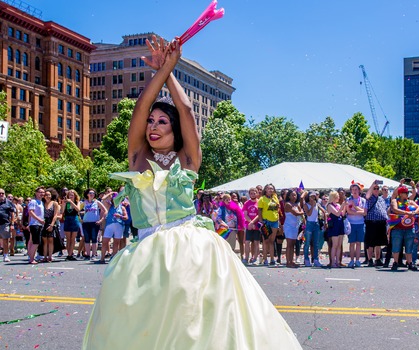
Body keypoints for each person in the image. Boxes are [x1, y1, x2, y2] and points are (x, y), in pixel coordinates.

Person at [83, 36, 301, 349]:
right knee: (139, 325)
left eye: (162, 122)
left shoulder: (188, 160)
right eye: (150, 122)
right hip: (144, 251)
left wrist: (169, 69)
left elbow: (185, 108)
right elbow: (139, 109)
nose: (153, 126)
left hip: (190, 249)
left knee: (191, 324)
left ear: (176, 130)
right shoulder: (137, 157)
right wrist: (159, 72)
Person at [388, 185, 419, 271]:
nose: (407, 194)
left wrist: (414, 212)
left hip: (409, 227)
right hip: (397, 227)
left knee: (409, 246)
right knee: (396, 246)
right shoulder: (395, 201)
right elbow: (395, 209)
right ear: (400, 193)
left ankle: (409, 262)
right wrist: (407, 213)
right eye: (405, 193)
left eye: (407, 193)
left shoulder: (410, 202)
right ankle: (395, 262)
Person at [98, 192, 128, 264]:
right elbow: (103, 199)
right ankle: (102, 258)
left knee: (116, 243)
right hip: (109, 225)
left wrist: (120, 216)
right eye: (114, 199)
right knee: (105, 242)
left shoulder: (122, 207)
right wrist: (111, 193)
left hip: (119, 225)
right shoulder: (109, 206)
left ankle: (114, 259)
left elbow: (126, 217)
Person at [364, 181, 389, 267]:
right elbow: (367, 194)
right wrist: (373, 184)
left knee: (378, 243)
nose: (376, 190)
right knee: (370, 243)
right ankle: (370, 259)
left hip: (381, 223)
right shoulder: (369, 198)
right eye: (375, 188)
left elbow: (384, 210)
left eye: (377, 188)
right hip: (371, 222)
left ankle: (378, 259)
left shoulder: (381, 199)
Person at [80, 189, 107, 260]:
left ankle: (94, 254)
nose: (92, 194)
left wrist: (101, 220)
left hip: (95, 222)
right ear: (87, 194)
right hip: (86, 222)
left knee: (94, 239)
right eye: (90, 193)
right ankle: (88, 255)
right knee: (87, 239)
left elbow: (105, 211)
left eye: (93, 193)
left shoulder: (97, 202)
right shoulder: (84, 202)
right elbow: (77, 210)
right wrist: (80, 219)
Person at [258, 183, 281, 266]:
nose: (270, 190)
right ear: (265, 190)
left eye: (272, 188)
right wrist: (261, 221)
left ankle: (272, 259)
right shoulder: (262, 199)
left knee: (272, 240)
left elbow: (277, 209)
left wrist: (279, 220)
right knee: (265, 240)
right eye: (269, 188)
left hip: (274, 221)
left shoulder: (275, 198)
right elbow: (259, 211)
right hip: (266, 221)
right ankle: (265, 259)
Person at [347, 183, 366, 268]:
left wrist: (355, 207)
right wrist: (359, 212)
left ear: (359, 191)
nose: (354, 191)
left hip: (360, 223)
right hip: (351, 223)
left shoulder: (362, 200)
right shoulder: (348, 199)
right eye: (353, 190)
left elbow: (365, 212)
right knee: (352, 243)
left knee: (359, 243)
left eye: (356, 189)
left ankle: (357, 260)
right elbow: (349, 211)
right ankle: (351, 260)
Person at [303, 191, 324, 267]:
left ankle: (315, 259)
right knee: (307, 242)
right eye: (311, 196)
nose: (313, 198)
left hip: (316, 224)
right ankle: (306, 259)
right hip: (309, 224)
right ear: (308, 197)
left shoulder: (317, 204)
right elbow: (308, 214)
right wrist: (312, 206)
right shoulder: (306, 205)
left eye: (314, 196)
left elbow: (324, 211)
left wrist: (325, 219)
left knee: (316, 243)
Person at [326, 190, 347, 268]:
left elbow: (342, 214)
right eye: (337, 196)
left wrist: (345, 207)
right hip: (334, 225)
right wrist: (342, 206)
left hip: (340, 224)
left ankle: (338, 261)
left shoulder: (338, 204)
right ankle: (332, 262)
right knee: (334, 245)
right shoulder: (329, 205)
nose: (339, 198)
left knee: (339, 245)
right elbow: (337, 214)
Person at [283, 190, 303, 268]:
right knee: (289, 244)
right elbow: (297, 213)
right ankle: (288, 262)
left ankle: (292, 261)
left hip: (295, 226)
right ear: (289, 196)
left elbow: (300, 211)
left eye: (295, 195)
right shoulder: (288, 204)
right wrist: (302, 212)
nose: (294, 197)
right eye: (292, 195)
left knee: (293, 244)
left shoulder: (296, 204)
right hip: (289, 226)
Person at [61, 190, 81, 261]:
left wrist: (71, 202)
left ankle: (70, 254)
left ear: (75, 196)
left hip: (74, 219)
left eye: (72, 195)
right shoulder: (66, 202)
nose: (71, 196)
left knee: (73, 239)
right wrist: (63, 204)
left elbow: (78, 209)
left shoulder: (77, 202)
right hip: (67, 219)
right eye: (70, 195)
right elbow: (62, 211)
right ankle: (69, 253)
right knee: (68, 239)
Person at [41, 188, 60, 262]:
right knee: (45, 241)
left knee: (51, 240)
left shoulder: (54, 203)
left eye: (49, 195)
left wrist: (52, 225)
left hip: (51, 222)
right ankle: (45, 256)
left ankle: (50, 256)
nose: (47, 196)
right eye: (46, 195)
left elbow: (55, 215)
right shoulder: (42, 203)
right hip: (44, 222)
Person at [27, 187, 45, 264]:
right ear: (36, 193)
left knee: (35, 241)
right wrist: (39, 220)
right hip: (35, 224)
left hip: (39, 224)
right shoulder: (33, 202)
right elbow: (31, 212)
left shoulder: (41, 202)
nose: (42, 194)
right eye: (40, 192)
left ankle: (31, 257)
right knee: (36, 242)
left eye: (43, 192)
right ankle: (31, 258)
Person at [244, 188, 261, 265]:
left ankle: (255, 258)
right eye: (251, 193)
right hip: (249, 226)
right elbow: (245, 214)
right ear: (249, 194)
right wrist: (250, 223)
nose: (253, 195)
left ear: (257, 193)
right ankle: (246, 258)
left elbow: (259, 214)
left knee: (256, 242)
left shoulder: (259, 202)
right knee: (247, 242)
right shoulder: (246, 203)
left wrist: (253, 222)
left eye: (254, 193)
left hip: (257, 225)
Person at [0, 189, 16, 262]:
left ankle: (5, 255)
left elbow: (12, 214)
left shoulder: (9, 203)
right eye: (0, 193)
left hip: (5, 223)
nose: (1, 194)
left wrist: (12, 224)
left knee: (5, 240)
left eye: (2, 193)